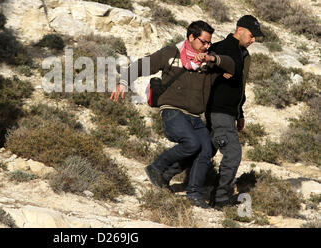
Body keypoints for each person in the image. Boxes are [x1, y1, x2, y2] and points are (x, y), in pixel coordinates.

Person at [110, 20, 235, 207]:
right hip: (172, 111)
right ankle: (156, 168)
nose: (207, 46)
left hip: (195, 116)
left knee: (206, 150)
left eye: (209, 43)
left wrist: (212, 59)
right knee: (191, 143)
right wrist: (124, 82)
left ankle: (194, 194)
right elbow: (142, 65)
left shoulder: (208, 61)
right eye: (203, 42)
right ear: (191, 37)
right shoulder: (171, 54)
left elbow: (231, 66)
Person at [206, 15, 264, 209]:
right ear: (240, 30)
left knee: (204, 150)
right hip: (218, 111)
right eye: (252, 35)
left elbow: (240, 87)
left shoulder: (242, 53)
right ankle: (221, 198)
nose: (254, 39)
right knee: (233, 154)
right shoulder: (223, 48)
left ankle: (163, 171)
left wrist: (239, 114)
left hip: (228, 113)